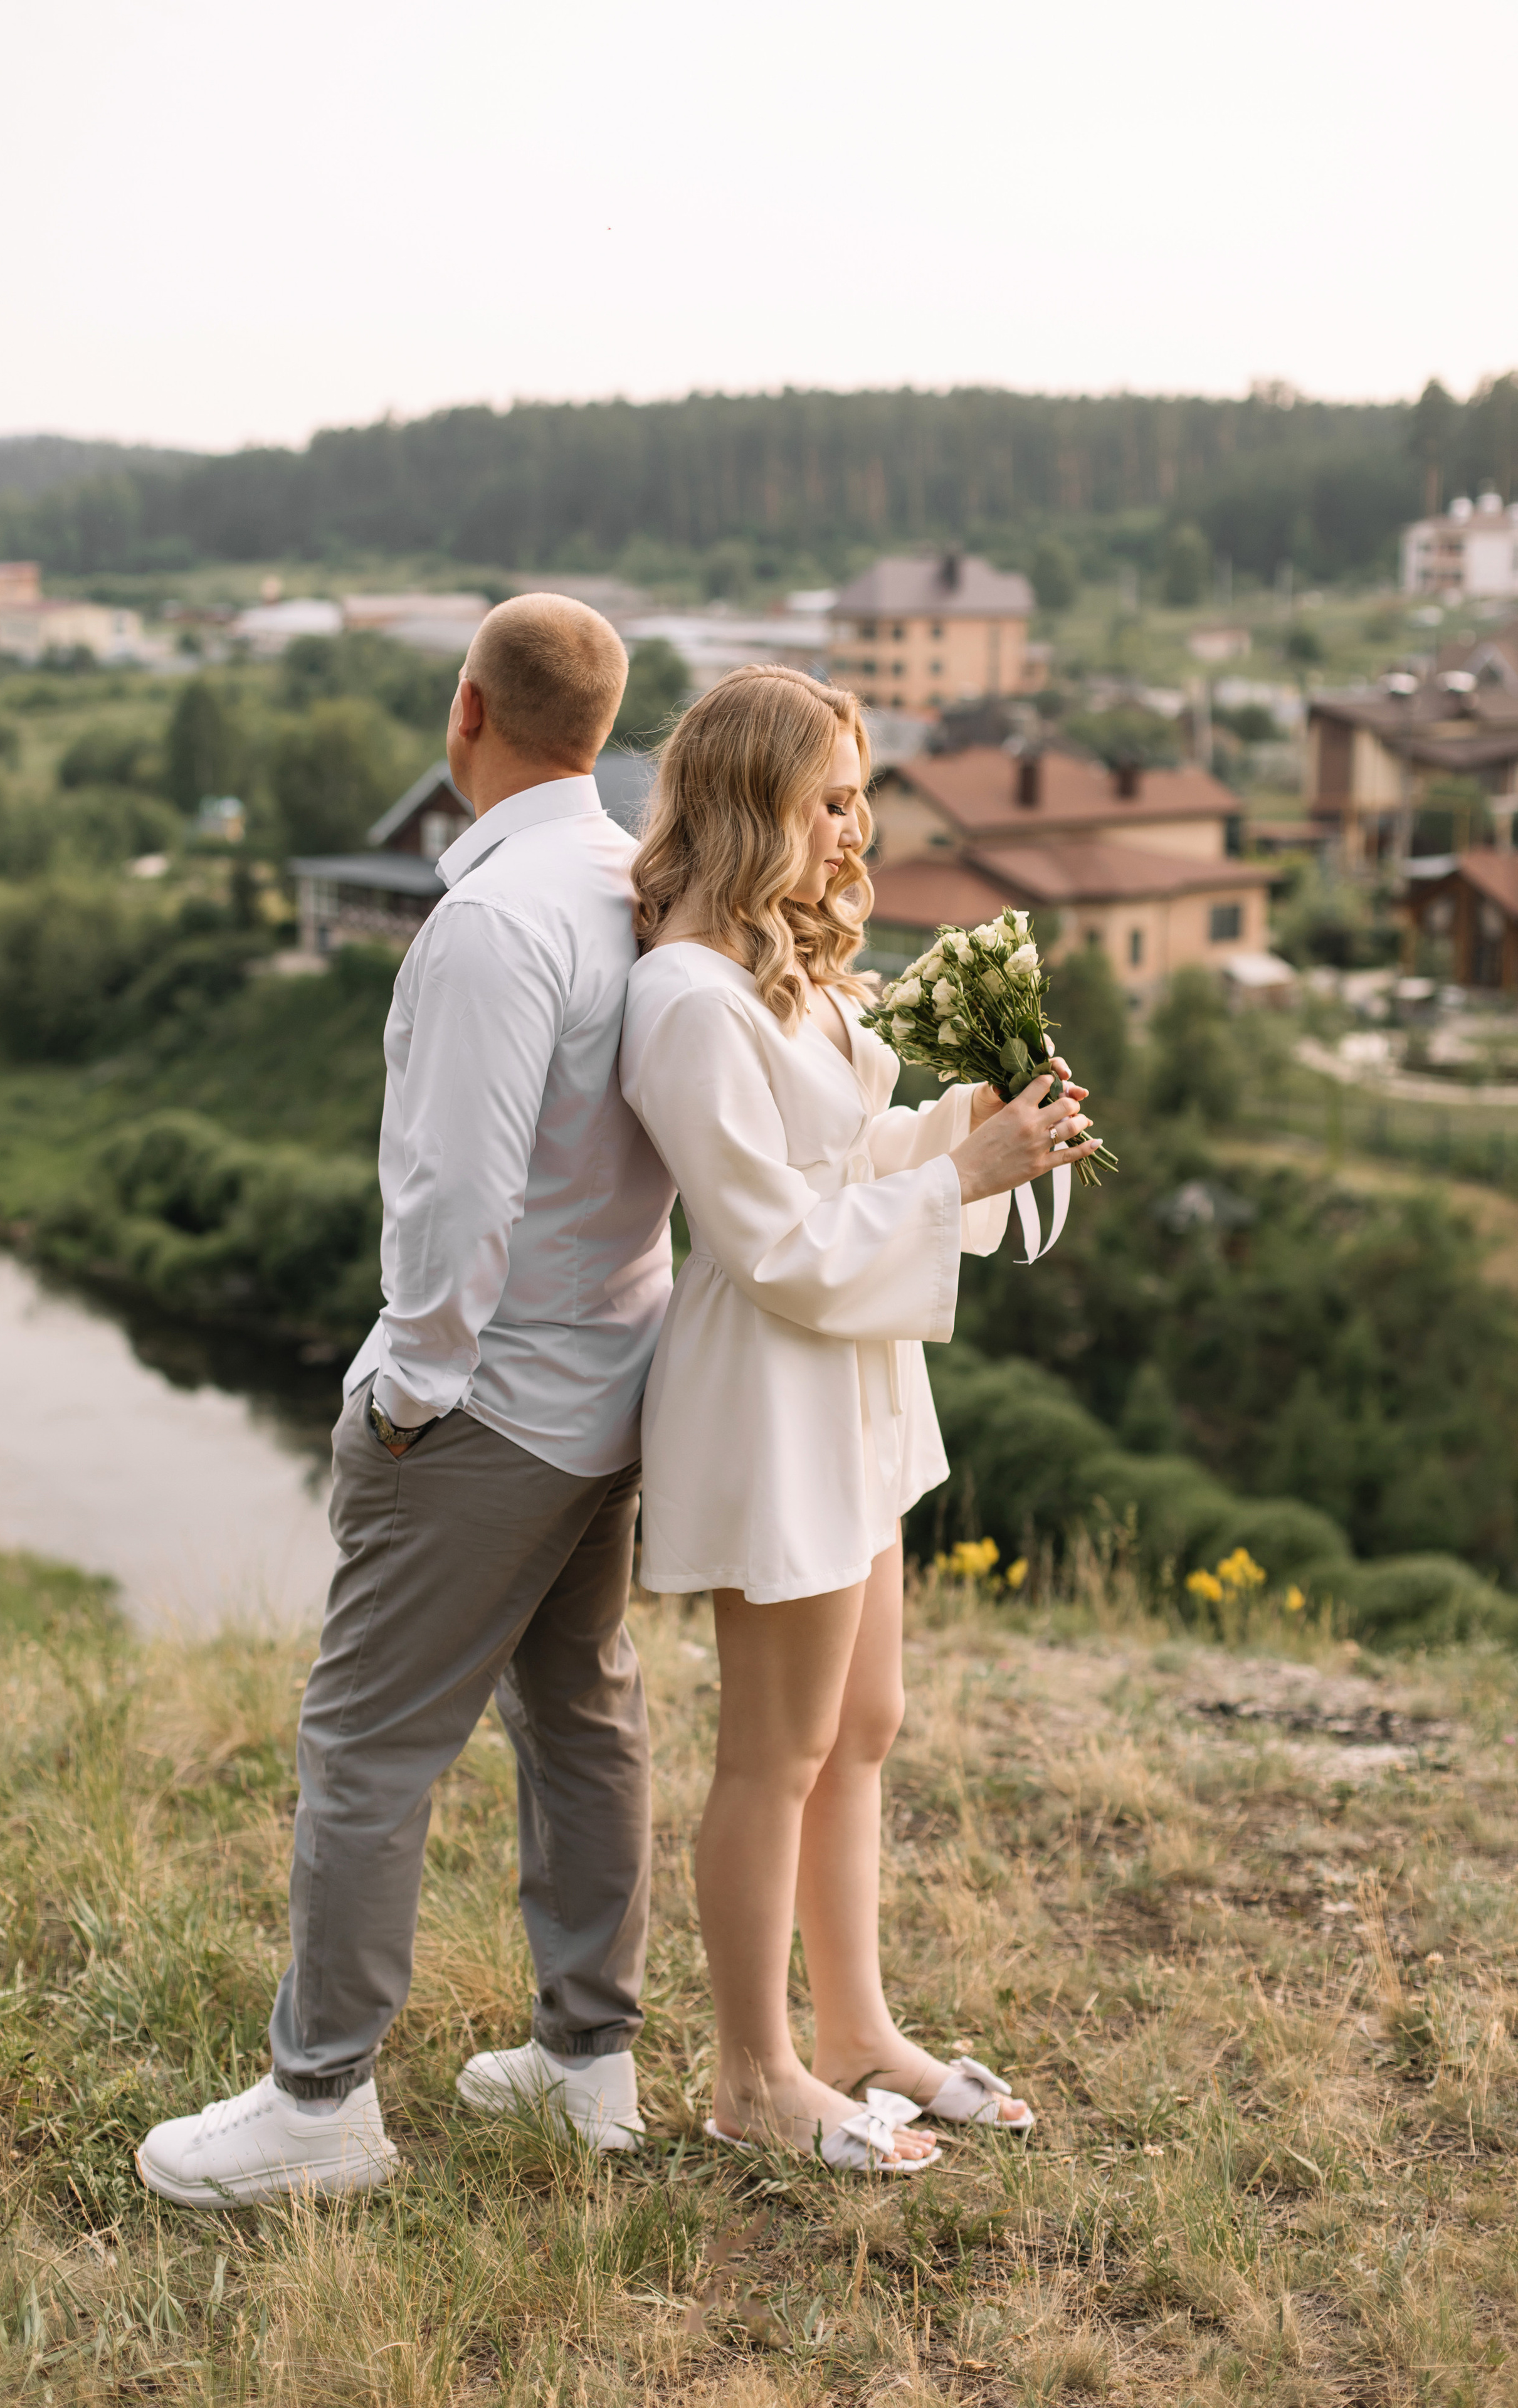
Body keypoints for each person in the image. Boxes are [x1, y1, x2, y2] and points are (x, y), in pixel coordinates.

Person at [135, 595, 677, 2207]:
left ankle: (321, 2104)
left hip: (493, 1403)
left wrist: (409, 1392)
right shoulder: (629, 882)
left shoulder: (493, 924)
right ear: (603, 726)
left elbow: (456, 1196)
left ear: (465, 713)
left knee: (364, 1748)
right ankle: (588, 2065)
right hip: (613, 1378)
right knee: (581, 1713)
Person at [619, 666, 1098, 2172]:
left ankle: (856, 2031)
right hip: (770, 1384)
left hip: (856, 1377)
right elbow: (766, 1237)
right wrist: (953, 1180)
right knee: (774, 1748)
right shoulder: (685, 1001)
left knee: (862, 1727)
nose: (854, 826)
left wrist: (971, 1128)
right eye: (828, 798)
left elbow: (848, 1162)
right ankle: (752, 2074)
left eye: (856, 794)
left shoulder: (793, 981)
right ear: (750, 804)